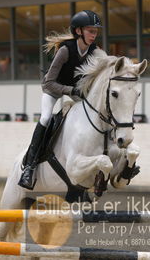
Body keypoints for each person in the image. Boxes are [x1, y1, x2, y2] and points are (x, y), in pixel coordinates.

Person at [18, 10, 102, 189]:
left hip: (75, 92)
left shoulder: (95, 52)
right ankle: (30, 167)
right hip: (53, 89)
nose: (94, 35)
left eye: (95, 31)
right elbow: (49, 83)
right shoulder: (65, 51)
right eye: (90, 31)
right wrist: (71, 90)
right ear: (78, 31)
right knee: (46, 118)